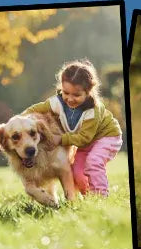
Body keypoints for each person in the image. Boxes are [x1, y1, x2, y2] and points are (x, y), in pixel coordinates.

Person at [25, 59, 123, 197]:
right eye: (66, 93)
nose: (70, 99)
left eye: (76, 95)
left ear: (88, 92)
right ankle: (89, 195)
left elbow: (84, 138)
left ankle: (101, 196)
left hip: (106, 137)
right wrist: (22, 120)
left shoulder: (92, 110)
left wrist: (61, 139)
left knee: (93, 162)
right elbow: (37, 108)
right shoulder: (57, 103)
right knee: (76, 172)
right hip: (84, 143)